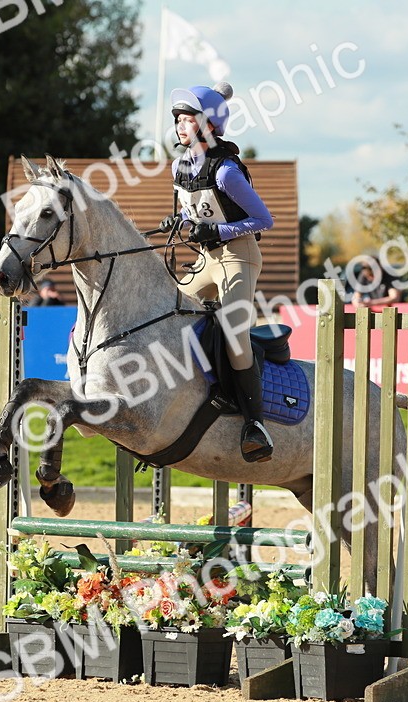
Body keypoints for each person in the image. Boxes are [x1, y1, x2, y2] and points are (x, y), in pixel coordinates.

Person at [162, 81, 275, 463]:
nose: (180, 125)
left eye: (187, 118)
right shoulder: (180, 167)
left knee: (233, 332)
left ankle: (255, 423)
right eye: (177, 118)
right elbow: (192, 211)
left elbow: (264, 219)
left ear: (209, 124)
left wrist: (219, 231)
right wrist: (176, 221)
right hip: (207, 259)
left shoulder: (227, 172)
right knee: (169, 310)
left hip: (238, 257)